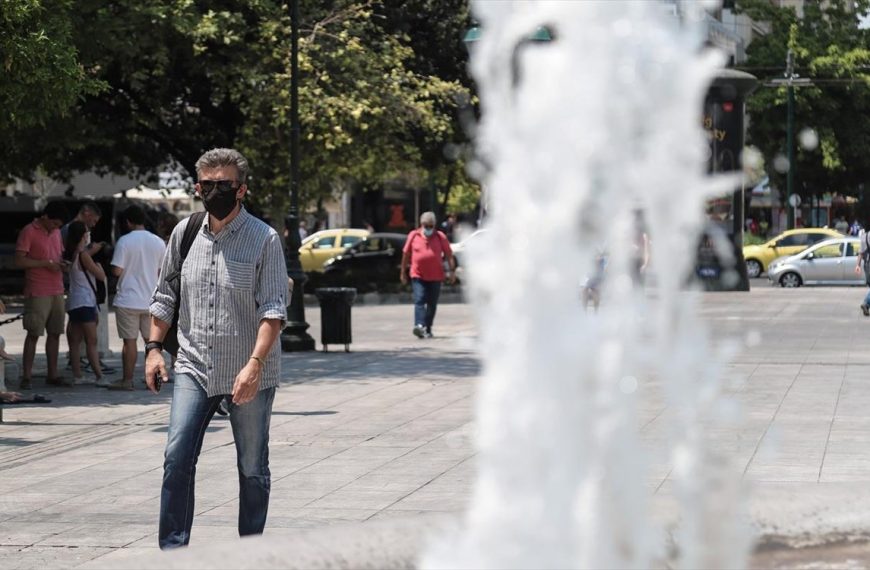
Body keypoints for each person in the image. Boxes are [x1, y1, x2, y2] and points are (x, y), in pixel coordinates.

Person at [145, 148, 287, 549]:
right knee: (176, 458)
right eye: (207, 185)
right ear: (197, 187)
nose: (214, 192)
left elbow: (273, 310)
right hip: (193, 364)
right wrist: (154, 349)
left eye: (223, 185)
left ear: (241, 190)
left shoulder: (265, 239)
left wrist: (255, 365)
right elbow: (164, 297)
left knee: (252, 466)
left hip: (248, 368)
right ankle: (174, 550)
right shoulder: (184, 233)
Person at [108, 205, 167, 391]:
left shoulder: (124, 241)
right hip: (151, 299)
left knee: (129, 341)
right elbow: (161, 271)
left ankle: (127, 380)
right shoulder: (158, 242)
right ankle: (153, 380)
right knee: (152, 342)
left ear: (127, 222)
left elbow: (117, 270)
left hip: (128, 299)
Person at [15, 202, 70, 389]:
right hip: (37, 290)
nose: (57, 228)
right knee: (34, 333)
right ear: (45, 217)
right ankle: (27, 376)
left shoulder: (56, 233)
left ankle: (52, 374)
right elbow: (20, 260)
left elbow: (57, 256)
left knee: (55, 333)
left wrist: (62, 265)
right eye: (54, 223)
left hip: (57, 288)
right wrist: (45, 264)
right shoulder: (29, 231)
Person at [400, 211, 456, 338]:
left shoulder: (440, 236)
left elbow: (448, 254)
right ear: (422, 224)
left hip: (436, 276)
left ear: (434, 225)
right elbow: (406, 254)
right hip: (417, 274)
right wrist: (403, 272)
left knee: (432, 303)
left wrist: (452, 271)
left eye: (431, 226)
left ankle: (428, 327)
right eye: (426, 226)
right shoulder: (413, 236)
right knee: (419, 299)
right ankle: (419, 325)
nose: (429, 228)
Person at [63, 221, 106, 385]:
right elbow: (101, 276)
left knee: (74, 341)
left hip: (74, 302)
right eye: (87, 233)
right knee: (91, 341)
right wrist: (99, 266)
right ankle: (99, 376)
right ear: (83, 235)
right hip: (86, 302)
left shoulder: (72, 253)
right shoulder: (84, 256)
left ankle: (78, 375)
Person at [856, 225, 870, 316]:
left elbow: (860, 253)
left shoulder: (863, 237)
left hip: (866, 265)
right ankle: (866, 303)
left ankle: (867, 305)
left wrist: (857, 265)